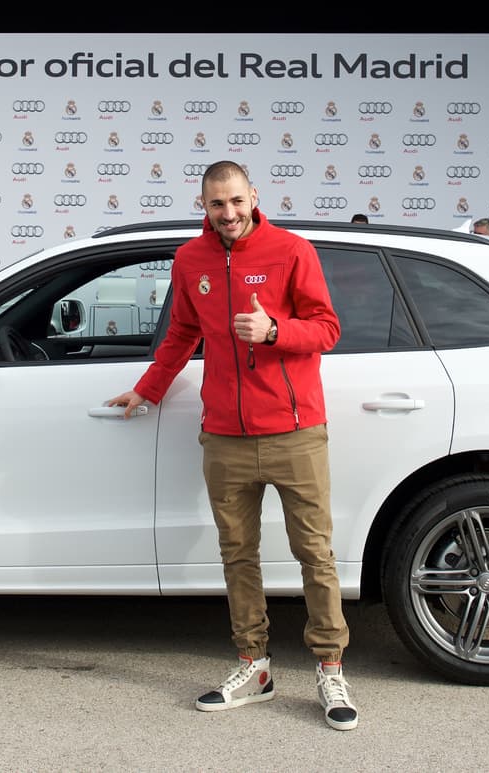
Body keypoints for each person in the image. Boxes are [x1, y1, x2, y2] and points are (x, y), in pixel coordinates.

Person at [105, 160, 357, 731]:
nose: (229, 213)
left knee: (314, 554)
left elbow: (327, 328)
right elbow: (182, 332)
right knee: (237, 554)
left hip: (294, 430)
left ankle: (330, 667)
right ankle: (254, 666)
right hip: (225, 434)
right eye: (217, 204)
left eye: (237, 201)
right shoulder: (190, 260)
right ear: (204, 205)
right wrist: (148, 388)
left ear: (254, 197)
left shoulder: (291, 251)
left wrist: (275, 331)